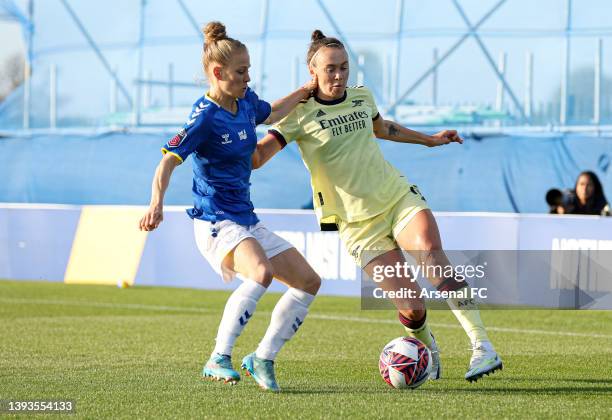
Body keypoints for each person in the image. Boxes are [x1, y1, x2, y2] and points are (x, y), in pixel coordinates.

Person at [252, 30, 502, 382]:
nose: (339, 76)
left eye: (344, 67)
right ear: (313, 71)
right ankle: (427, 349)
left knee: (431, 253)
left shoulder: (361, 97)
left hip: (396, 196)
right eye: (330, 69)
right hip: (357, 225)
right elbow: (259, 155)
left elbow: (382, 128)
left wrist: (429, 140)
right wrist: (229, 144)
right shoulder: (297, 114)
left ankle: (482, 347)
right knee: (413, 309)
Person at [139, 22, 321, 392]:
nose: (248, 77)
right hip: (215, 220)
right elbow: (168, 161)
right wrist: (156, 203)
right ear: (219, 73)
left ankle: (262, 358)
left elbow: (272, 113)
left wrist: (306, 91)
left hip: (245, 219)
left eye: (249, 69)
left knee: (308, 282)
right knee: (260, 272)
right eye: (241, 72)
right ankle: (219, 357)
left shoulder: (245, 103)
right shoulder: (204, 117)